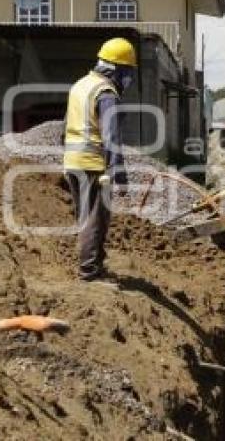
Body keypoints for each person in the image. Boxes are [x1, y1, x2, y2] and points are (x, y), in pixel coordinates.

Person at [63, 37, 137, 281]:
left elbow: (65, 127)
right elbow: (111, 138)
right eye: (128, 73)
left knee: (87, 217)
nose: (129, 79)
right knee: (95, 220)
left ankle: (95, 267)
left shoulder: (80, 85)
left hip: (73, 162)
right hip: (92, 164)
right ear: (119, 69)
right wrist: (119, 174)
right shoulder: (106, 93)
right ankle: (90, 273)